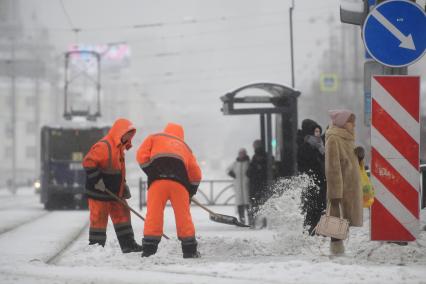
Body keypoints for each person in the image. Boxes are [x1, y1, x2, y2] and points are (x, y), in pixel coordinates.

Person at [136, 122, 202, 258]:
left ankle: (149, 249)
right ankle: (189, 250)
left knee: (153, 214)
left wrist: (152, 171)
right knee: (184, 216)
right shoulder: (185, 148)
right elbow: (196, 174)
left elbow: (141, 155)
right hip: (180, 185)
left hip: (157, 183)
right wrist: (191, 191)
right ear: (181, 136)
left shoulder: (154, 137)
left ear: (166, 130)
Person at [82, 118, 142, 253]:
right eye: (127, 133)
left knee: (123, 215)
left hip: (115, 193)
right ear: (120, 132)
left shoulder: (119, 148)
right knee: (99, 220)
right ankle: (96, 248)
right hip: (99, 192)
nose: (129, 136)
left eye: (130, 134)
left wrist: (123, 186)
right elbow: (88, 162)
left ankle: (128, 245)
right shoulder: (104, 146)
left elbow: (117, 170)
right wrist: (97, 180)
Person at [325, 110, 363, 255]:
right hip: (340, 189)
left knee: (343, 220)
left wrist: (358, 156)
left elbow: (350, 163)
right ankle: (336, 250)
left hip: (350, 187)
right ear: (342, 123)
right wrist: (335, 193)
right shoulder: (334, 138)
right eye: (350, 121)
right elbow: (332, 168)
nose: (353, 125)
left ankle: (338, 250)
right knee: (336, 221)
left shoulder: (348, 138)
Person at [298, 121, 326, 235]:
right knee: (312, 207)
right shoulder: (306, 147)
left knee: (319, 206)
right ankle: (311, 231)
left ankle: (316, 230)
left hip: (319, 180)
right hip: (311, 181)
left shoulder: (319, 146)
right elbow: (306, 164)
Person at [246, 140, 271, 228]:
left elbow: (249, 173)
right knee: (259, 204)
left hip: (257, 186)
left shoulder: (257, 159)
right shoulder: (260, 158)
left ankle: (256, 222)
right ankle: (257, 222)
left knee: (256, 205)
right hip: (258, 186)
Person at [227, 148, 250, 225]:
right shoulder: (235, 163)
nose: (241, 155)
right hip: (238, 186)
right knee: (240, 204)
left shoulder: (248, 163)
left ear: (245, 154)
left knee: (248, 203)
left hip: (247, 186)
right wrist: (232, 174)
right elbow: (228, 169)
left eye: (242, 153)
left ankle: (251, 220)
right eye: (240, 153)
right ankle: (242, 220)